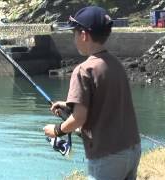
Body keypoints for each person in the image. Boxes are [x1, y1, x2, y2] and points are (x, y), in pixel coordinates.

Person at [43, 6, 141, 180]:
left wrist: (56, 131)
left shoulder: (83, 70)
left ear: (84, 35)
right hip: (132, 149)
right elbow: (108, 101)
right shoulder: (115, 63)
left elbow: (79, 118)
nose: (74, 39)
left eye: (74, 34)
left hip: (108, 157)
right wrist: (67, 105)